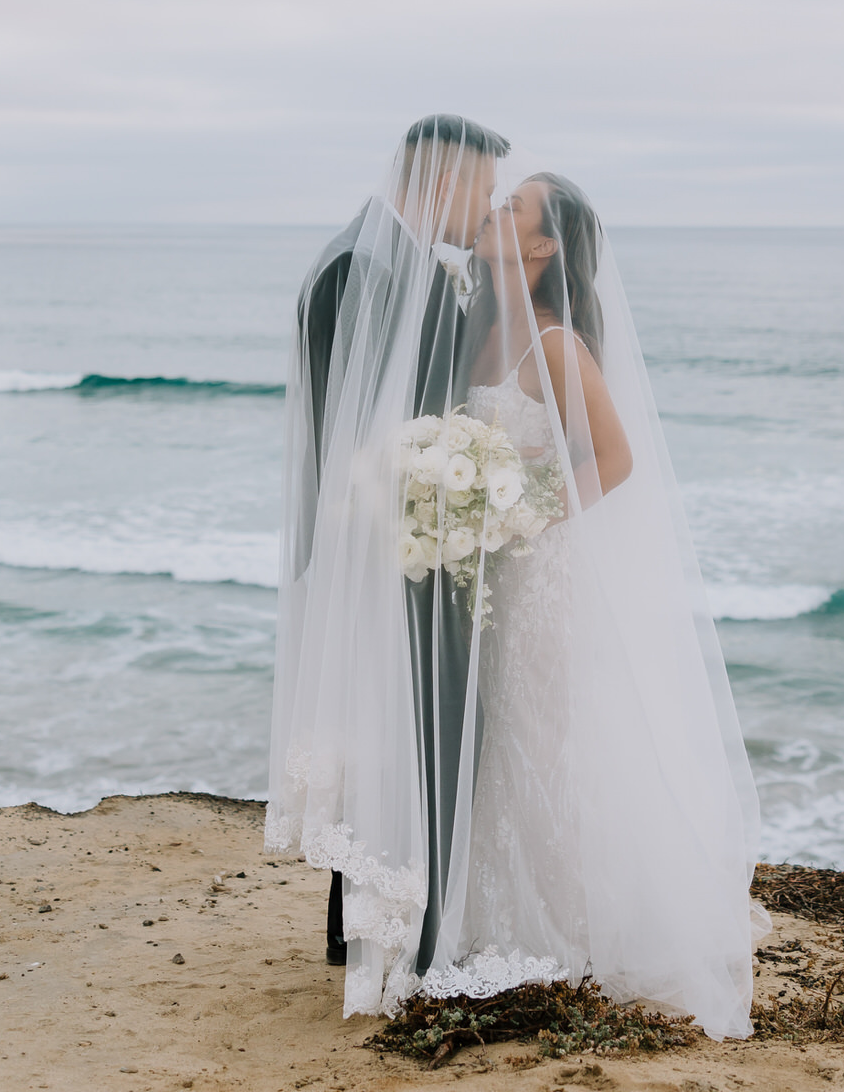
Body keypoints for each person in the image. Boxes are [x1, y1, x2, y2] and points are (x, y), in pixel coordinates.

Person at [267, 137, 763, 1037]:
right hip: (478, 576)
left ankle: (567, 931)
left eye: (512, 210)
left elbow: (612, 460)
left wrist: (515, 515)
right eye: (492, 199)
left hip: (532, 581)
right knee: (487, 756)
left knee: (538, 746)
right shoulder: (474, 317)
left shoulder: (554, 341)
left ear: (540, 251)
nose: (493, 214)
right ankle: (477, 923)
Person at [269, 114, 508, 1013]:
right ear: (443, 177)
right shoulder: (359, 267)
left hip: (411, 541)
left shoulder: (404, 262)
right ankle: (401, 937)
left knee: (397, 739)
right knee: (404, 740)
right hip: (384, 552)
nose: (485, 209)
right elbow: (352, 440)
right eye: (482, 190)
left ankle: (381, 923)